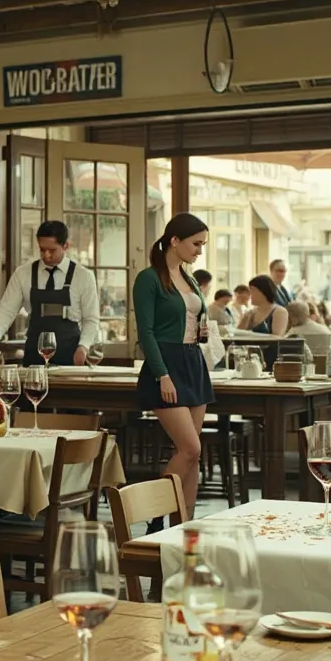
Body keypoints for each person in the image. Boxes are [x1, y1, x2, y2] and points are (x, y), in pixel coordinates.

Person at [133, 212, 213, 519]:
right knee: (190, 448)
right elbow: (146, 332)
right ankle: (156, 515)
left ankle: (184, 525)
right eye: (196, 244)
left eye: (203, 244)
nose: (199, 251)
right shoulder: (149, 278)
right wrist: (162, 374)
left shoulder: (188, 277)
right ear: (175, 241)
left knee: (192, 455)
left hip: (193, 362)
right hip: (166, 364)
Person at [0, 220, 100, 366]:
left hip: (71, 357)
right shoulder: (23, 273)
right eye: (42, 249)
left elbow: (91, 319)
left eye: (52, 250)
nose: (46, 255)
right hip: (34, 359)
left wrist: (83, 347)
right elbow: (6, 310)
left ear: (66, 246)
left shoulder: (83, 276)